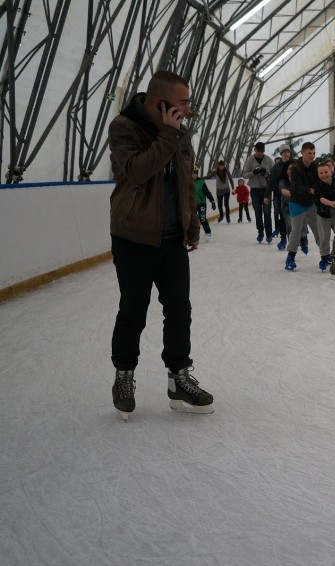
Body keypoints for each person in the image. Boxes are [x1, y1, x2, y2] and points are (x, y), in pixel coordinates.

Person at [107, 69, 215, 420]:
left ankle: (178, 378)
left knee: (179, 311)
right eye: (183, 103)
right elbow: (137, 171)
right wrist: (167, 135)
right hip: (134, 238)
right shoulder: (124, 128)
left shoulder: (181, 134)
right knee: (133, 312)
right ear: (162, 103)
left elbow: (186, 182)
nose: (188, 109)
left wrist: (192, 223)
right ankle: (124, 376)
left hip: (171, 239)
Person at [284, 142, 326, 271]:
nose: (312, 156)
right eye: (309, 153)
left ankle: (325, 255)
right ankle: (290, 257)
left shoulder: (315, 166)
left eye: (313, 153)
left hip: (310, 204)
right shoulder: (296, 168)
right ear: (302, 153)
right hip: (297, 203)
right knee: (296, 232)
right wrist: (311, 190)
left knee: (318, 230)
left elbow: (319, 181)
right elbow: (297, 187)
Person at [243, 141, 275, 244]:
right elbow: (244, 175)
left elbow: (274, 176)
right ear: (255, 150)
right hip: (255, 190)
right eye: (258, 151)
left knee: (267, 212)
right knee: (258, 212)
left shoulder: (269, 160)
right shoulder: (250, 160)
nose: (260, 153)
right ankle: (260, 232)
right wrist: (253, 172)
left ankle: (269, 234)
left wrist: (266, 174)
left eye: (262, 151)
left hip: (266, 190)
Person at [267, 146, 293, 239]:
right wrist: (267, 195)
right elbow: (271, 181)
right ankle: (283, 238)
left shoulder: (294, 163)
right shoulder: (276, 167)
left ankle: (298, 238)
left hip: (294, 195)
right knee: (282, 216)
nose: (286, 154)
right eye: (284, 152)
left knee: (295, 217)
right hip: (279, 195)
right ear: (281, 154)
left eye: (287, 152)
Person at [193, 166, 216, 242]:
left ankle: (208, 232)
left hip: (201, 203)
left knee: (202, 217)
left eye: (195, 173)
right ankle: (193, 235)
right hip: (191, 204)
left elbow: (207, 192)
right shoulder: (187, 182)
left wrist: (212, 201)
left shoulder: (201, 182)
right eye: (191, 173)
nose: (193, 175)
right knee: (191, 219)